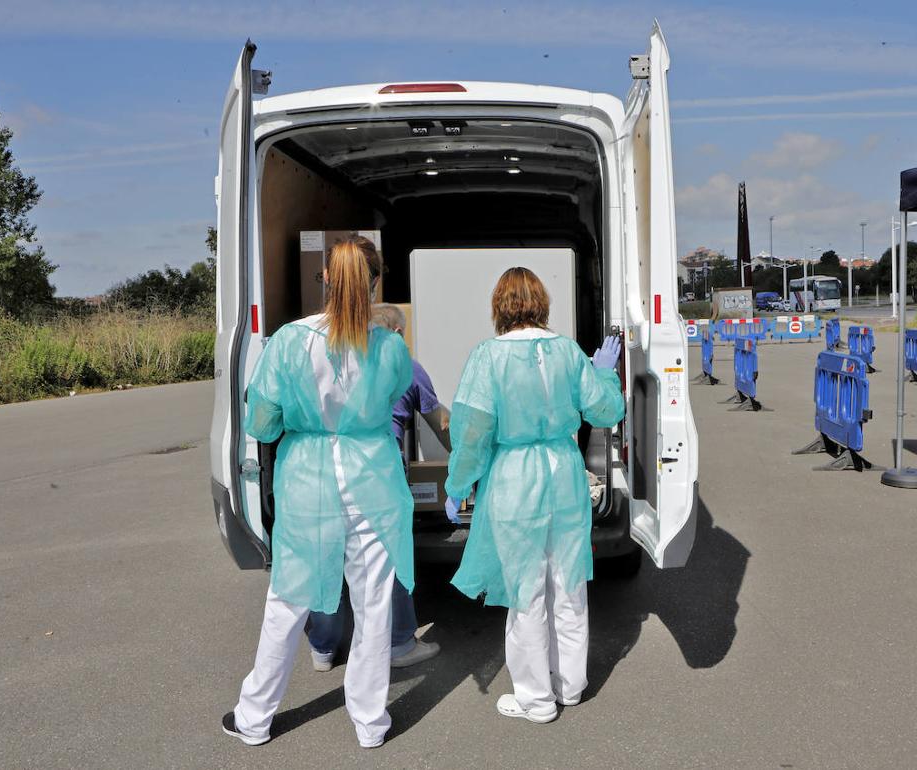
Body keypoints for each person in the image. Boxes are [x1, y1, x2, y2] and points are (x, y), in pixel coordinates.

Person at [222, 238, 414, 749]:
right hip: (374, 482)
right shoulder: (390, 346)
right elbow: (392, 397)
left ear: (325, 279)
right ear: (375, 282)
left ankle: (254, 717)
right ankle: (370, 724)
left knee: (288, 600)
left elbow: (263, 422)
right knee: (374, 604)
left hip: (309, 482)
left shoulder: (290, 341)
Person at [443, 267, 625, 724]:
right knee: (568, 583)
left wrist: (458, 485)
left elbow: (472, 431)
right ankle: (570, 686)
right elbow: (605, 410)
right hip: (564, 474)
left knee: (526, 591)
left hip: (515, 479)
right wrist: (603, 374)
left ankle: (535, 699)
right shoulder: (567, 351)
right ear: (542, 302)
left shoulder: (487, 356)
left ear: (499, 306)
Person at [305, 303, 448, 671]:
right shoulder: (405, 366)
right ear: (397, 335)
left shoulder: (333, 359)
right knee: (388, 556)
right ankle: (399, 643)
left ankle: (322, 647)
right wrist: (468, 466)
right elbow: (441, 424)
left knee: (328, 558)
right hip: (378, 473)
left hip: (323, 468)